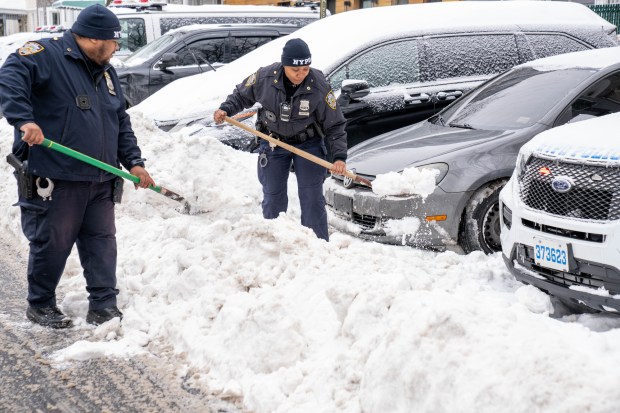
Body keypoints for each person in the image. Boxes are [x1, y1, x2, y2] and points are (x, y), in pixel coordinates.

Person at [0, 4, 155, 329]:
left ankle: (103, 305)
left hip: (101, 178)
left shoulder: (106, 72)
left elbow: (120, 122)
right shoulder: (47, 55)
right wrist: (23, 119)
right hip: (57, 175)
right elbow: (11, 75)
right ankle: (40, 304)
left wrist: (135, 163)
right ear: (97, 39)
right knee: (52, 243)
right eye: (114, 43)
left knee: (102, 242)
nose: (116, 50)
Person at [214, 38, 347, 241]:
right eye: (296, 70)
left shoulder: (319, 85)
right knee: (273, 196)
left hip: (308, 144)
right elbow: (241, 95)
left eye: (305, 69)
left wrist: (338, 157)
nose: (301, 75)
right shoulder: (264, 78)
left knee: (312, 199)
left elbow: (335, 124)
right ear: (284, 65)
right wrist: (226, 109)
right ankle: (272, 243)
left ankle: (318, 247)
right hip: (273, 143)